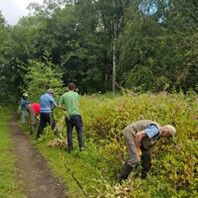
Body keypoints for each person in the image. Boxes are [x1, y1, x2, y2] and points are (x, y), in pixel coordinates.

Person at [59, 83, 83, 152]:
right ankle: (81, 147)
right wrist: (76, 91)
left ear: (67, 88)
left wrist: (65, 109)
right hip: (76, 115)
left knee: (69, 132)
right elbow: (77, 101)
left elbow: (59, 105)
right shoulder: (76, 94)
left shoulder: (64, 95)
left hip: (68, 116)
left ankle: (70, 149)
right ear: (74, 88)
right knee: (79, 132)